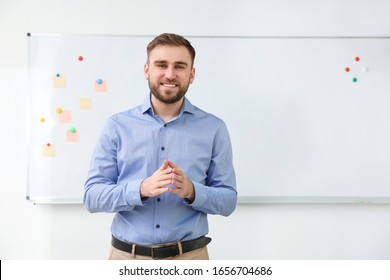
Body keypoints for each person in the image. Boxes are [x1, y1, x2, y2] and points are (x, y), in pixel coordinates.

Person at [83, 33, 237, 260]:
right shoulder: (117, 126)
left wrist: (193, 192)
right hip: (127, 259)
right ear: (147, 70)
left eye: (180, 66)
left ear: (191, 74)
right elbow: (92, 197)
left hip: (190, 259)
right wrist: (141, 189)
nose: (170, 74)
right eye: (161, 65)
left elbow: (228, 201)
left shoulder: (214, 128)